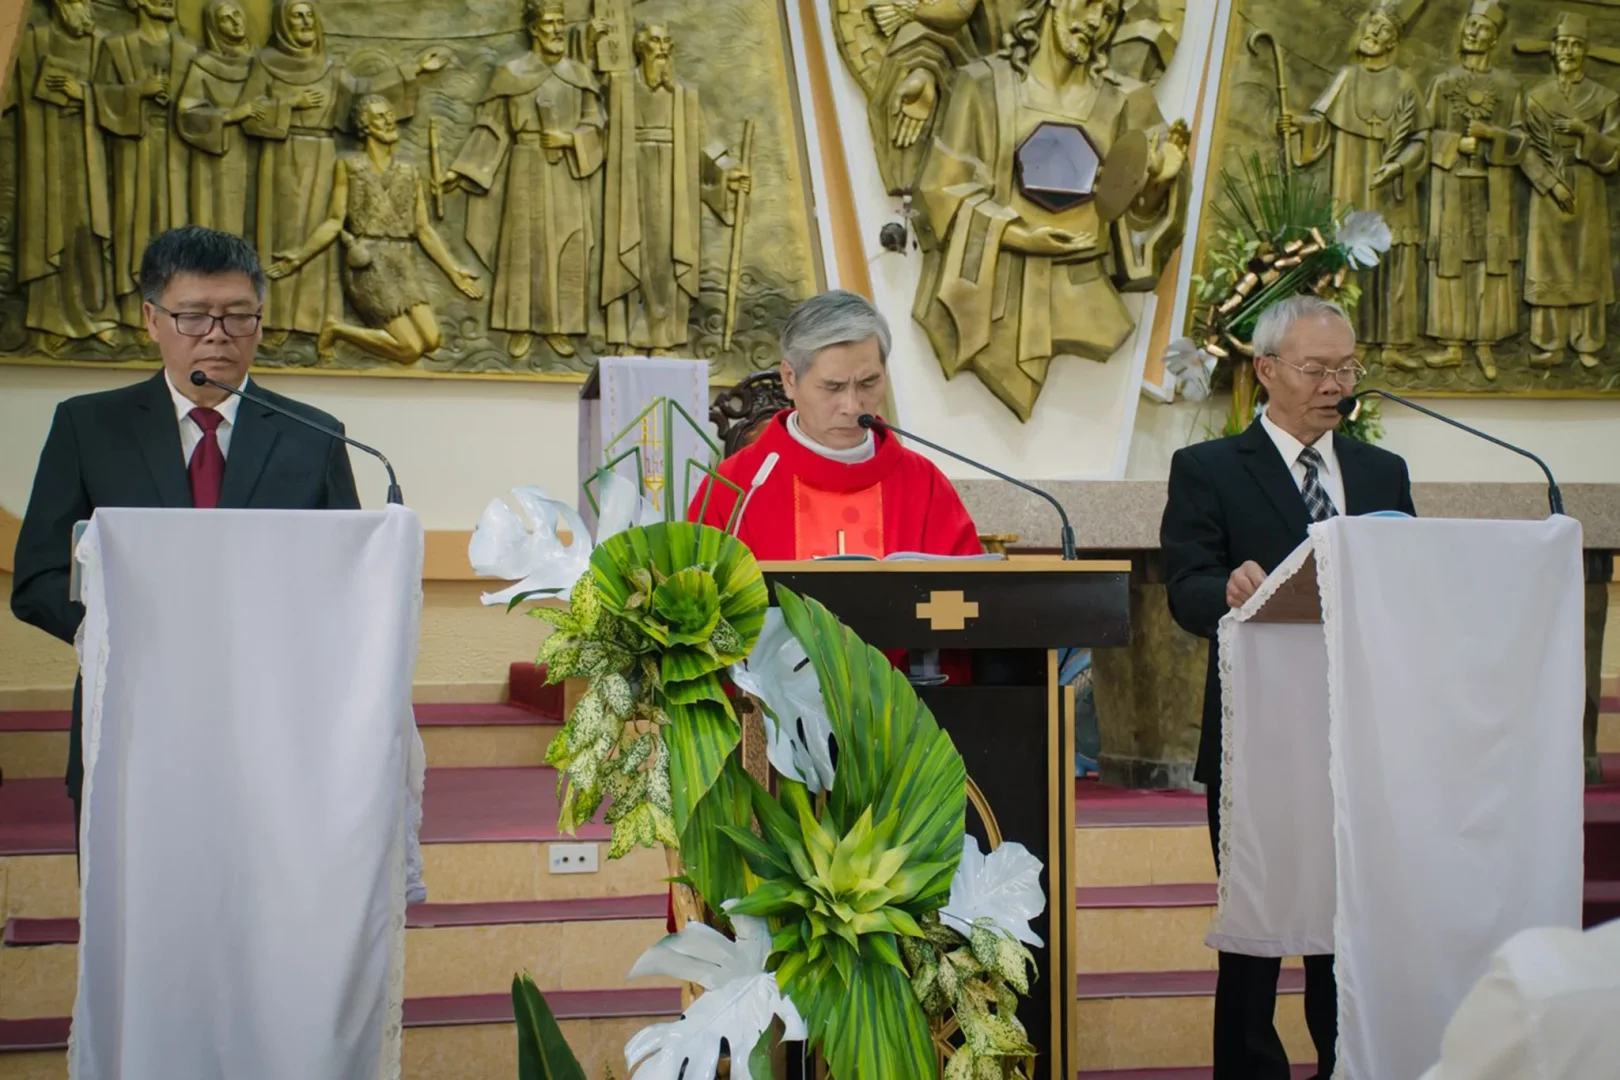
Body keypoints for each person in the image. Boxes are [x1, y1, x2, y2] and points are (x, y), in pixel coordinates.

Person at [10, 225, 361, 841]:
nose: (217, 335)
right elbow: (39, 577)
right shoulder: (88, 427)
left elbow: (347, 583)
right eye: (193, 316)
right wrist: (121, 633)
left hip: (273, 726)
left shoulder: (314, 435)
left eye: (238, 316)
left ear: (260, 320)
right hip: (131, 716)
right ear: (152, 319)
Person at [1159, 295, 1416, 1080]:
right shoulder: (1208, 469)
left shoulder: (1380, 472)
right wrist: (1227, 588)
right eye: (1316, 369)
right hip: (1258, 740)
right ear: (1267, 370)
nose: (1335, 385)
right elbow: (1185, 587)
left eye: (1347, 369)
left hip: (1359, 737)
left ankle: (1349, 1063)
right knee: (1256, 934)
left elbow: (1405, 585)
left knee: (1351, 927)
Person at [688, 289, 979, 560]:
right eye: (833, 387)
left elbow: (966, 591)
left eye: (868, 383)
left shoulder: (924, 485)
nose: (852, 407)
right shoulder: (734, 486)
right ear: (790, 379)